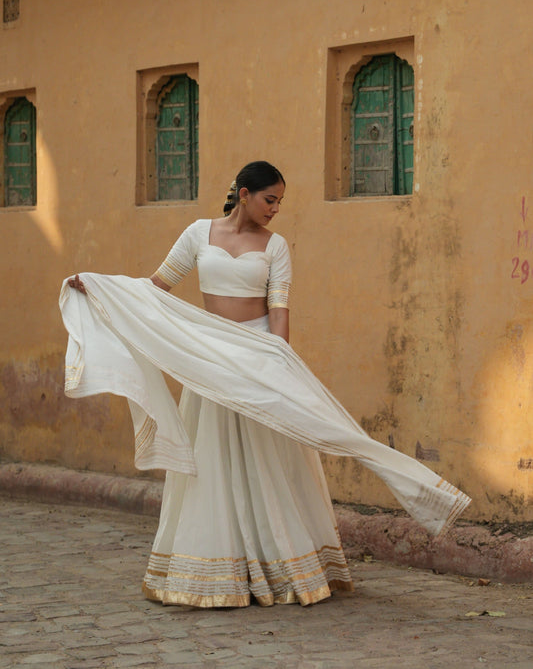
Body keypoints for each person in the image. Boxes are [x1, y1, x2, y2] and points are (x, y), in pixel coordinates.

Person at [64, 160, 470, 609]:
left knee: (270, 459)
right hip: (211, 360)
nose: (275, 209)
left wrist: (281, 362)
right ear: (243, 193)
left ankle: (286, 565)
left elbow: (279, 308)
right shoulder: (198, 233)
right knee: (214, 461)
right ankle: (222, 569)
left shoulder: (276, 247)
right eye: (269, 199)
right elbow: (156, 288)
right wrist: (101, 288)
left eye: (280, 201)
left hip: (258, 357)